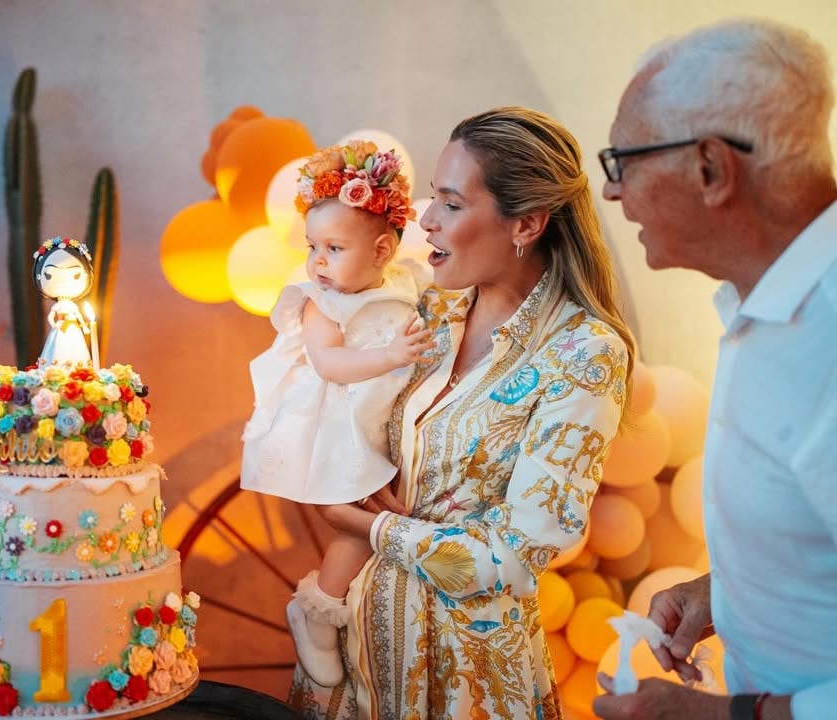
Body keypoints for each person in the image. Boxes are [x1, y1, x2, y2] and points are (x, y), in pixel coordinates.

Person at [288, 107, 634, 719]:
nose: (426, 221)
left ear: (526, 223)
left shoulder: (584, 354)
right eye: (431, 200)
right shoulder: (425, 313)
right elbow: (335, 415)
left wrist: (366, 525)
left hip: (463, 682)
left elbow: (516, 556)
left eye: (450, 204)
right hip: (352, 664)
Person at [592, 18, 837, 720]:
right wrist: (725, 590)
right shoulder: (761, 301)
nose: (613, 194)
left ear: (710, 169)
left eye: (622, 162)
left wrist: (720, 717)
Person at [241, 141, 433, 688]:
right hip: (341, 424)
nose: (318, 261)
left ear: (380, 251)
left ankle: (361, 610)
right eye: (312, 246)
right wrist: (392, 356)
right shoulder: (318, 301)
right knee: (358, 512)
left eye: (334, 247)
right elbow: (329, 363)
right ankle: (319, 608)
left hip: (390, 417)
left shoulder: (404, 282)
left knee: (389, 509)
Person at [34, 236, 94, 366]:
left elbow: (78, 316)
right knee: (57, 348)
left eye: (76, 275)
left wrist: (84, 326)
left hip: (73, 327)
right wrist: (54, 325)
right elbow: (51, 316)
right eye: (49, 275)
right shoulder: (59, 306)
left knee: (76, 348)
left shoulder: (72, 305)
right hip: (60, 327)